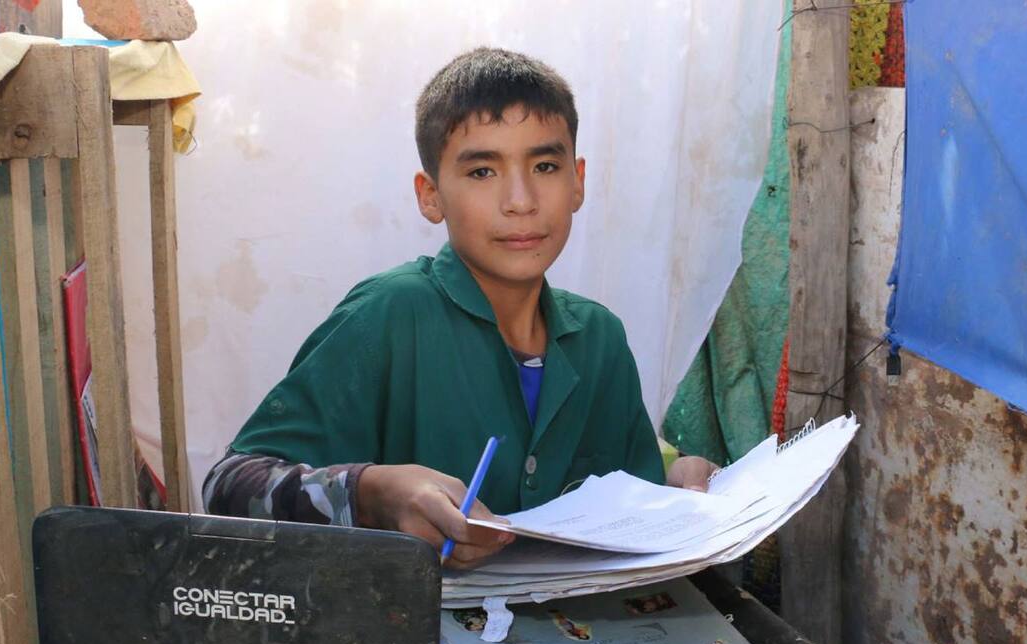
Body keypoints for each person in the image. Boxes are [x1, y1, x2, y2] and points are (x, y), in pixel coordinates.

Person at [204, 47, 717, 568]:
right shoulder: (389, 315)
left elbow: (627, 492)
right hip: (414, 637)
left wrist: (672, 486)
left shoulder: (600, 339)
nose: (520, 200)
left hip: (577, 639)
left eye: (544, 165)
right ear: (430, 196)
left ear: (577, 181)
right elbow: (227, 485)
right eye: (482, 172)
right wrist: (370, 492)